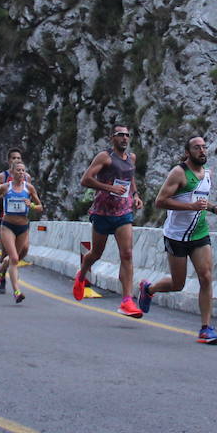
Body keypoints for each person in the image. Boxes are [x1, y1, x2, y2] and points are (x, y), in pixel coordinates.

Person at [137, 136, 217, 344]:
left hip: (199, 233)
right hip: (176, 235)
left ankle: (206, 328)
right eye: (197, 148)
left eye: (204, 147)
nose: (202, 151)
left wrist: (214, 209)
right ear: (187, 152)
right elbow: (160, 201)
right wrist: (190, 207)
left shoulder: (207, 174)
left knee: (205, 276)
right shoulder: (178, 173)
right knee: (178, 284)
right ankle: (149, 290)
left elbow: (200, 200)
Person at [75, 125, 145, 317]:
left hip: (123, 213)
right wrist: (108, 188)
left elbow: (129, 178)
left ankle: (127, 301)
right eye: (120, 135)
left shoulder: (131, 158)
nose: (124, 138)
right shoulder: (104, 157)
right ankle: (81, 275)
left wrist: (136, 195)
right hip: (102, 213)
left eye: (127, 135)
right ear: (112, 138)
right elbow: (85, 180)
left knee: (127, 254)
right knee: (96, 254)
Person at [0, 160, 41, 303]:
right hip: (7, 226)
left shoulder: (29, 188)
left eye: (23, 170)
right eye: (18, 170)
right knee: (14, 258)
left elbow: (40, 207)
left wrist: (31, 205)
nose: (21, 173)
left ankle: (0, 269)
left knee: (15, 257)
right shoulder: (5, 187)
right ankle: (17, 291)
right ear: (12, 172)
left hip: (23, 227)